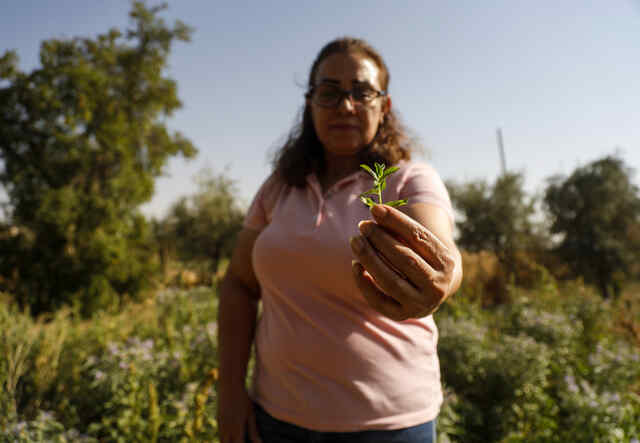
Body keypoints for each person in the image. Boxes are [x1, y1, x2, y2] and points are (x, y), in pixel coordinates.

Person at [217, 37, 462, 443]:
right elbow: (239, 284)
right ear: (310, 104)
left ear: (383, 107)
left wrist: (443, 277)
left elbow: (442, 251)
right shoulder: (278, 188)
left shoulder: (407, 179)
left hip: (389, 426)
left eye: (361, 92)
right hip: (276, 419)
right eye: (329, 93)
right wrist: (229, 393)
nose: (345, 106)